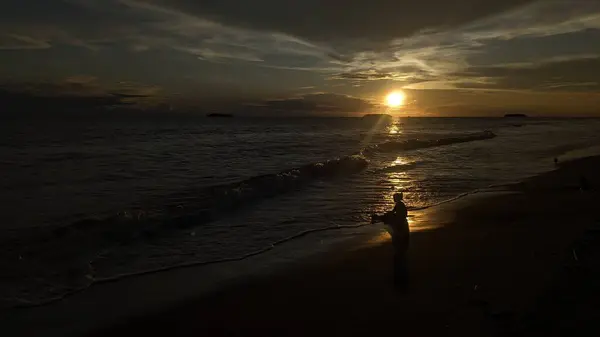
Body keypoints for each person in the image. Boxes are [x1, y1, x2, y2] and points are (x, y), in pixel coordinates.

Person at [371, 192, 410, 289]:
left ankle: (376, 218)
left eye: (394, 197)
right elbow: (395, 213)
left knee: (398, 244)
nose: (393, 199)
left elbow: (396, 214)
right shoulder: (400, 205)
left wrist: (389, 216)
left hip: (400, 224)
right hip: (402, 223)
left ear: (396, 198)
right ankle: (377, 218)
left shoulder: (399, 205)